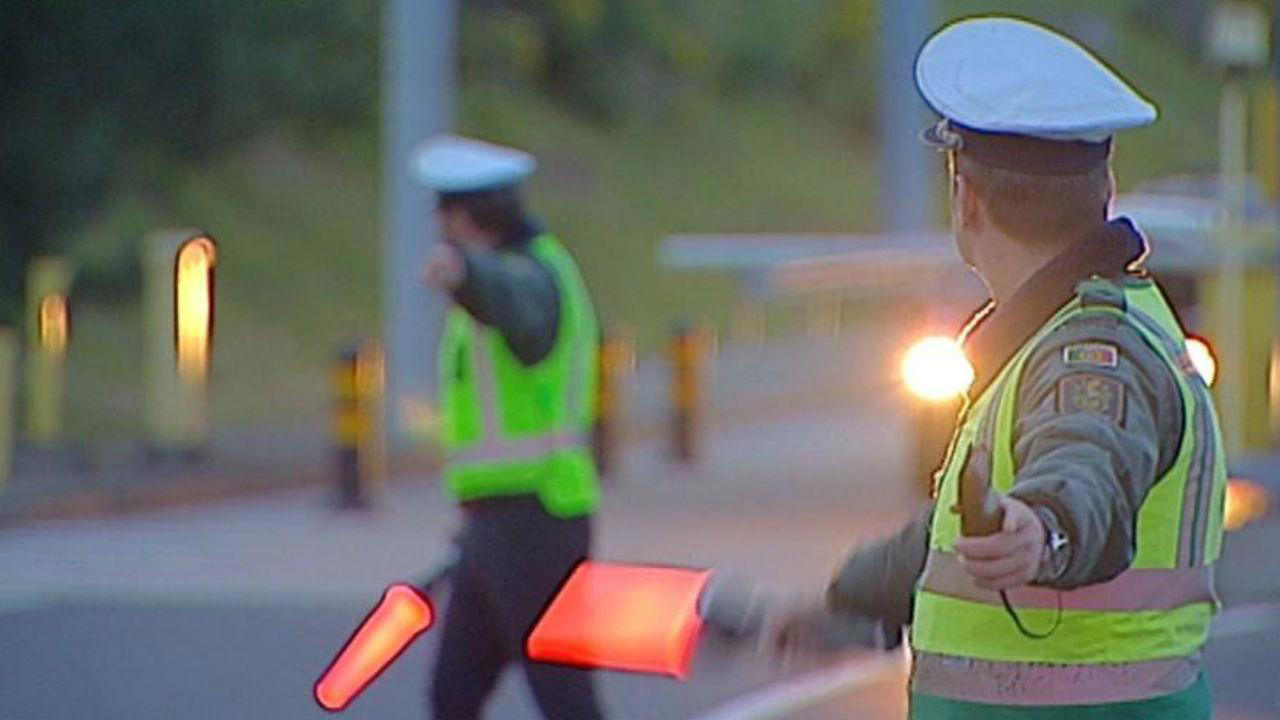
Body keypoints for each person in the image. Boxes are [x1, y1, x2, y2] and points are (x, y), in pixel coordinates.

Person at [773, 17, 1228, 720]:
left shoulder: (1092, 353)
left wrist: (1041, 528)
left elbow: (1086, 466)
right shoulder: (1062, 333)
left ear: (966, 199)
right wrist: (854, 595)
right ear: (1104, 185)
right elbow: (961, 528)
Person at [414, 134, 606, 720]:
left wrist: (467, 274)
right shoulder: (527, 272)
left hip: (535, 519)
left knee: (563, 695)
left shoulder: (532, 278)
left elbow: (511, 301)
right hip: (497, 522)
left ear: (463, 217)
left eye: (446, 217)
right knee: (454, 695)